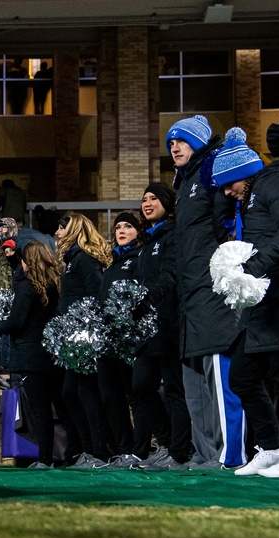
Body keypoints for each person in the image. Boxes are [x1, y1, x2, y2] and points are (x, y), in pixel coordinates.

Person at [168, 115, 246, 468]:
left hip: (212, 291)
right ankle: (206, 454)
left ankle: (231, 455)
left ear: (198, 142)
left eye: (180, 140)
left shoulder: (213, 168)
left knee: (221, 375)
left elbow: (229, 224)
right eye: (170, 143)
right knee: (194, 384)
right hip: (190, 295)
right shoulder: (183, 184)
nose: (173, 147)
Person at [212, 126, 279, 477]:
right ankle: (273, 450)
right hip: (264, 301)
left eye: (230, 184)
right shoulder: (255, 194)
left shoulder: (276, 182)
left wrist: (252, 268)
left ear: (245, 174)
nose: (228, 192)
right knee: (242, 377)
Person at [133, 183, 194, 471]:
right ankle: (168, 443)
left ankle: (180, 453)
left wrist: (148, 298)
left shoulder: (172, 235)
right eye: (144, 199)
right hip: (147, 327)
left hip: (169, 323)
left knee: (173, 389)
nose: (147, 203)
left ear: (167, 203)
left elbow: (171, 275)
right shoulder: (146, 240)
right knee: (140, 386)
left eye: (154, 198)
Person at [0, 241, 61, 467]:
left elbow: (16, 322)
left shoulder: (28, 285)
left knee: (39, 410)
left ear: (27, 261)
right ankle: (69, 453)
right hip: (52, 354)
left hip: (31, 356)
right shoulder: (55, 284)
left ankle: (44, 458)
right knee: (58, 407)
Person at [56, 213, 113, 467]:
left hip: (85, 335)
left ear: (74, 230)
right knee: (71, 392)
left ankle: (98, 452)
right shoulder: (72, 260)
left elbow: (96, 293)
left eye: (62, 228)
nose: (57, 233)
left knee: (85, 392)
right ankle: (89, 449)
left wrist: (86, 325)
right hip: (73, 335)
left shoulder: (84, 259)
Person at [97, 212, 144, 466]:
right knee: (110, 396)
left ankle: (139, 449)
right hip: (108, 341)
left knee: (134, 394)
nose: (122, 231)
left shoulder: (138, 259)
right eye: (118, 227)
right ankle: (123, 449)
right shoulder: (112, 263)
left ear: (138, 231)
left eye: (128, 226)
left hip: (130, 340)